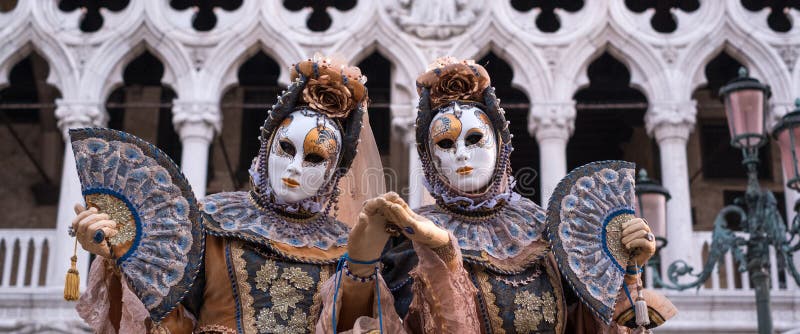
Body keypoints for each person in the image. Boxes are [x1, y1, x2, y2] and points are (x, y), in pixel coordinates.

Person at [332, 57, 673, 333]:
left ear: (501, 146)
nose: (461, 155)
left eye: (475, 139)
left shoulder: (548, 232)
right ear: (430, 158)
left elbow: (592, 324)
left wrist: (624, 270)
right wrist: (437, 255)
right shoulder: (409, 240)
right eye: (446, 145)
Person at [71, 56, 388, 333]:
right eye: (286, 148)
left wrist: (360, 268)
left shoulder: (343, 245)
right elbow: (169, 319)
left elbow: (352, 326)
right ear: (266, 147)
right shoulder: (211, 221)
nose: (294, 168)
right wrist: (121, 255)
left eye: (315, 159)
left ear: (334, 172)